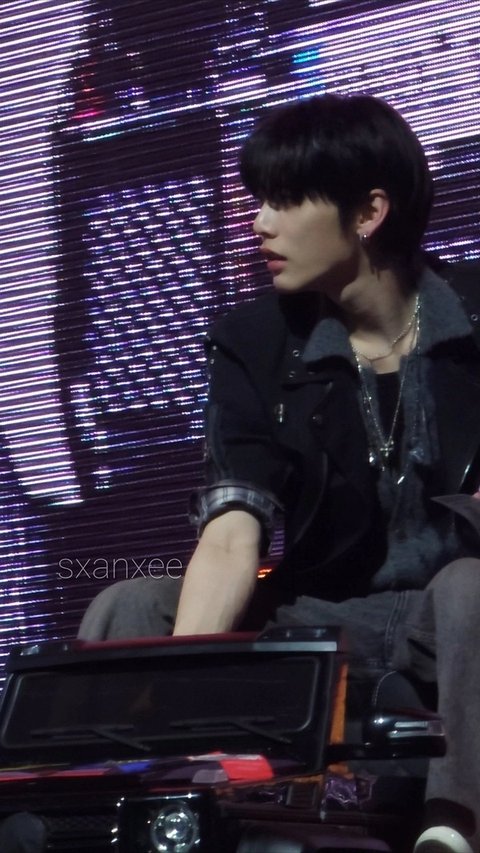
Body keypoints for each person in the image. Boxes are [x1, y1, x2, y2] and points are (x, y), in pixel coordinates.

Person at [78, 93, 480, 853]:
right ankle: (128, 819)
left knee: (471, 586)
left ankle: (454, 825)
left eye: (286, 200)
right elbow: (234, 534)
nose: (258, 222)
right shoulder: (254, 341)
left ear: (369, 212)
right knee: (133, 603)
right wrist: (173, 694)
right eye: (259, 198)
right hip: (322, 618)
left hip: (454, 613)